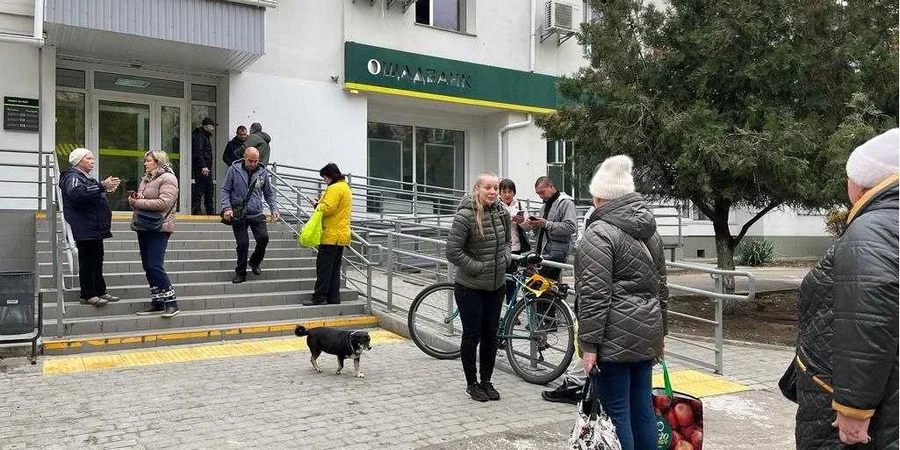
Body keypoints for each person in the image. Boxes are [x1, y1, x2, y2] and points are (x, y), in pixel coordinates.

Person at [791, 128, 898, 449]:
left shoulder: (871, 230)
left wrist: (854, 408)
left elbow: (866, 320)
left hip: (842, 400)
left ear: (863, 183)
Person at [575, 155, 667, 450]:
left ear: (601, 195)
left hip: (612, 341)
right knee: (642, 409)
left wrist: (588, 346)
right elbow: (661, 287)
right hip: (646, 336)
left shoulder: (598, 233)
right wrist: (660, 334)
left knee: (616, 415)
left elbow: (593, 294)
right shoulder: (649, 230)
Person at [445, 173, 511, 403]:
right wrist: (478, 267)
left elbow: (507, 242)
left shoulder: (501, 212)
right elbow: (452, 251)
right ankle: (471, 383)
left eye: (496, 187)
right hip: (470, 287)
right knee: (472, 335)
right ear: (477, 189)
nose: (493, 192)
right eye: (488, 188)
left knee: (490, 335)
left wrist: (505, 259)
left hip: (496, 285)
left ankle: (486, 381)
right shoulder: (465, 216)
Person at [59, 148, 120, 307]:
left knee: (97, 259)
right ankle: (87, 294)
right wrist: (102, 186)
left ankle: (100, 290)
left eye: (92, 159)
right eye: (89, 159)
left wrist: (105, 188)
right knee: (88, 261)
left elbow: (91, 195)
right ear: (78, 161)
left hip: (94, 227)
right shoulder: (72, 176)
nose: (93, 161)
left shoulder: (87, 178)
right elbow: (77, 194)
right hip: (84, 226)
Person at [130, 150, 180, 318]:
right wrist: (135, 200)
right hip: (144, 225)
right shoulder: (147, 178)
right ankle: (158, 301)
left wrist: (138, 202)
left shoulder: (168, 178)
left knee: (154, 265)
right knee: (147, 266)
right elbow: (143, 201)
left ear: (158, 162)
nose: (145, 164)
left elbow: (164, 202)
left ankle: (171, 303)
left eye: (148, 161)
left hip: (159, 227)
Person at [220, 147, 280, 284]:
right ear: (244, 157)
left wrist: (274, 208)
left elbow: (269, 193)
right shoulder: (233, 170)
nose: (253, 164)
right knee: (242, 244)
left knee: (264, 238)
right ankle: (240, 272)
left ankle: (254, 261)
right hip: (238, 212)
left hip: (256, 212)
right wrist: (227, 208)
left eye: (255, 161)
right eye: (250, 161)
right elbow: (225, 190)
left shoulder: (262, 172)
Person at [302, 163, 353, 306]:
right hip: (341, 235)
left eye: (325, 178)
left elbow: (328, 208)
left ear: (330, 176)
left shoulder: (334, 188)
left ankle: (319, 297)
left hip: (331, 234)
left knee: (324, 267)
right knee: (334, 269)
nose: (324, 181)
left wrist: (316, 204)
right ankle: (334, 297)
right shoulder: (345, 187)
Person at [527, 176, 577, 281]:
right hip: (544, 253)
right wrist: (535, 226)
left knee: (547, 290)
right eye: (538, 193)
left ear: (551, 186)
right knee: (544, 290)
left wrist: (546, 224)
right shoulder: (544, 207)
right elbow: (541, 233)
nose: (540, 196)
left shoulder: (566, 203)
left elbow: (571, 227)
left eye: (542, 192)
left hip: (555, 254)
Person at [498, 178, 532, 303]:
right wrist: (507, 218)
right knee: (500, 282)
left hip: (515, 249)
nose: (507, 195)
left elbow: (528, 227)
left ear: (514, 193)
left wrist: (521, 221)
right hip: (500, 250)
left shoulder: (520, 205)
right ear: (500, 193)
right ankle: (499, 313)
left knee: (512, 281)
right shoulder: (495, 206)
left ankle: (511, 312)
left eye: (510, 192)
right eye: (504, 192)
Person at [191, 117, 216, 215]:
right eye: (211, 126)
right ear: (206, 126)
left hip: (205, 167)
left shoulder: (204, 136)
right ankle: (197, 209)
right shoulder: (200, 136)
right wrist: (203, 166)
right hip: (203, 168)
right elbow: (199, 152)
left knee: (208, 188)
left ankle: (209, 210)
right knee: (201, 188)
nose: (212, 128)